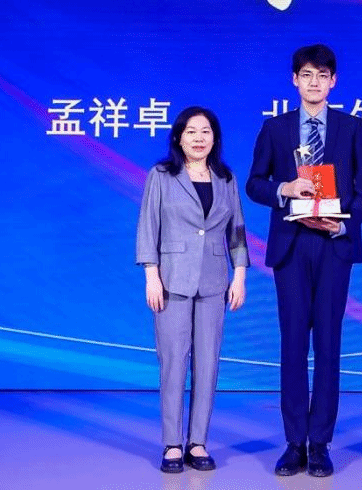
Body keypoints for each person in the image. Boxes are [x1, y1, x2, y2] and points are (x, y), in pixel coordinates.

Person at [246, 44, 362, 477]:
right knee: (293, 345)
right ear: (294, 80)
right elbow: (254, 183)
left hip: (333, 246)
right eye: (306, 74)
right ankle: (293, 442)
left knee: (329, 345)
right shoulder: (276, 128)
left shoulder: (351, 127)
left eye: (322, 75)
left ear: (333, 81)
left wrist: (341, 224)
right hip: (292, 244)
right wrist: (284, 189)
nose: (314, 82)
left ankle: (320, 443)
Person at [136, 106, 249, 474]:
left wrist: (240, 275)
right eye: (191, 132)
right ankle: (172, 443)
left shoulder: (226, 178)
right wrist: (151, 275)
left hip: (215, 281)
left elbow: (237, 230)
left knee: (208, 362)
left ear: (215, 138)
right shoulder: (161, 175)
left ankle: (197, 442)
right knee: (173, 362)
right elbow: (148, 226)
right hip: (172, 281)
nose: (199, 138)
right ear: (178, 137)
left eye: (206, 132)